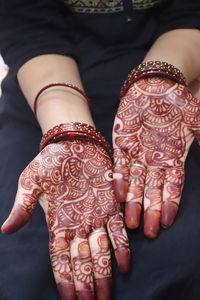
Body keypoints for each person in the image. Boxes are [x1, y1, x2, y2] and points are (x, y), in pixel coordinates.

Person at [0, 0, 200, 299]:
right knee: (27, 268)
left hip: (180, 81)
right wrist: (67, 130)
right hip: (45, 90)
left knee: (182, 255)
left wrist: (160, 75)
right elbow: (28, 29)